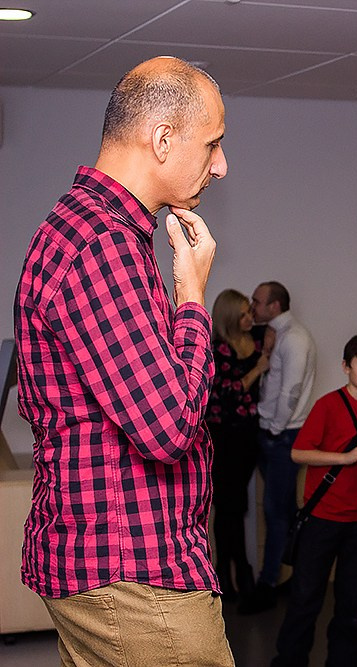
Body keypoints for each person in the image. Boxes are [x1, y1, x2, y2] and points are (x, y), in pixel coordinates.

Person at [14, 57, 232, 665]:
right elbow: (169, 428)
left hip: (115, 562)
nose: (220, 164)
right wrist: (193, 296)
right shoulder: (102, 243)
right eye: (212, 143)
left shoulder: (96, 230)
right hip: (133, 568)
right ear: (162, 140)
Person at [272, 334, 357, 667]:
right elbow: (299, 452)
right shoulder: (328, 405)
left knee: (353, 604)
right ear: (346, 367)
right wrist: (346, 458)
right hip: (323, 518)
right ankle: (289, 661)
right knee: (305, 598)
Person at [243, 280, 317, 613]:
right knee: (282, 511)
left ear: (274, 306)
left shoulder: (295, 338)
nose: (252, 306)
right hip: (273, 433)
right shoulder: (277, 335)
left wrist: (273, 431)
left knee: (275, 513)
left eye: (257, 302)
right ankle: (296, 579)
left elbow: (291, 392)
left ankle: (268, 584)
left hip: (282, 435)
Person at [206, 289, 270, 600]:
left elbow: (275, 324)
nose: (250, 318)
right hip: (223, 437)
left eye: (250, 311)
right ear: (230, 318)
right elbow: (225, 392)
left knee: (237, 506)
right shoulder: (218, 348)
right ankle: (231, 577)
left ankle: (235, 577)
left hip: (247, 435)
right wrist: (258, 369)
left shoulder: (256, 338)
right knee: (228, 507)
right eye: (243, 314)